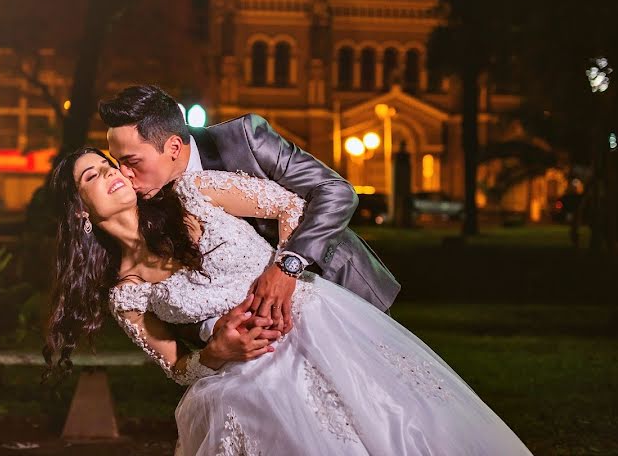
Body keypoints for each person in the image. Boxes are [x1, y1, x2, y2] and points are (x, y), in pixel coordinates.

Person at [45, 148, 532, 455]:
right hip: (247, 376)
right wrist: (216, 353)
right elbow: (177, 367)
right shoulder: (126, 292)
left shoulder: (191, 194)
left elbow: (290, 205)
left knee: (396, 428)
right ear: (83, 214)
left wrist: (285, 272)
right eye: (92, 176)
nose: (111, 173)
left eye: (107, 164)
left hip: (318, 328)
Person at [99, 85, 399, 343]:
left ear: (174, 146)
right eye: (118, 162)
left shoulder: (245, 139)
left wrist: (287, 267)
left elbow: (336, 192)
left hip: (337, 287)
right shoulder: (148, 198)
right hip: (268, 339)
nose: (124, 173)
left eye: (132, 161)